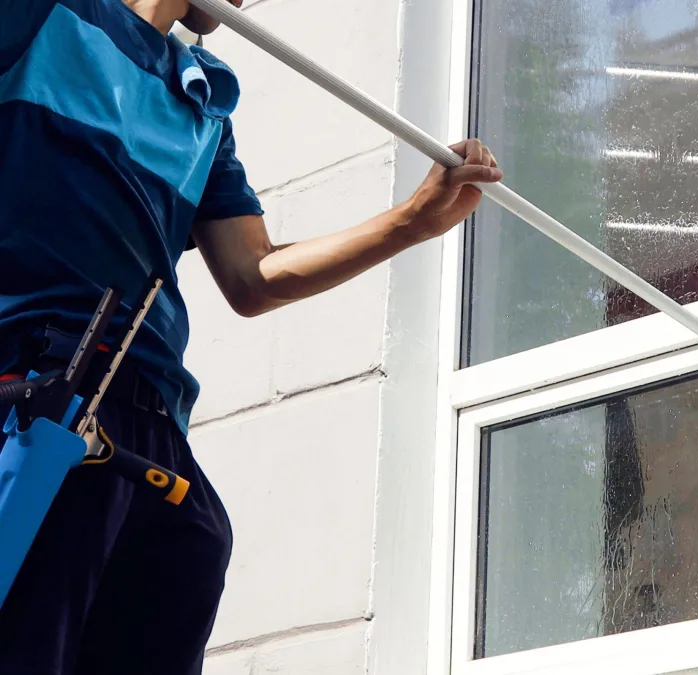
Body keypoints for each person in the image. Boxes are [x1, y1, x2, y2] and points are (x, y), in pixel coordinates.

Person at [0, 0, 502, 672]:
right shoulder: (40, 15)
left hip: (153, 435)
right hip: (38, 395)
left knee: (195, 548)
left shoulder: (201, 100)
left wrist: (411, 223)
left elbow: (251, 273)